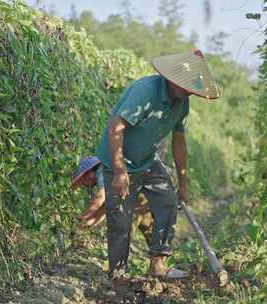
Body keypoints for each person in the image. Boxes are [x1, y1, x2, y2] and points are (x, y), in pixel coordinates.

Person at [95, 50, 220, 291]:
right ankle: (118, 276)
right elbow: (115, 128)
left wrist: (182, 181)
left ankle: (158, 264)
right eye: (184, 87)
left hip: (148, 161)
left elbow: (179, 141)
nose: (187, 92)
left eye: (190, 89)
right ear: (172, 79)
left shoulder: (182, 103)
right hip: (118, 161)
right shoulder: (145, 91)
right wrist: (120, 171)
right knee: (121, 220)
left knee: (167, 201)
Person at [71, 156, 153, 246]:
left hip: (138, 194)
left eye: (83, 181)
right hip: (144, 194)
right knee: (152, 235)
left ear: (89, 174)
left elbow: (100, 198)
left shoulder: (102, 170)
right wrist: (83, 227)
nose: (86, 185)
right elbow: (102, 211)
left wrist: (81, 217)